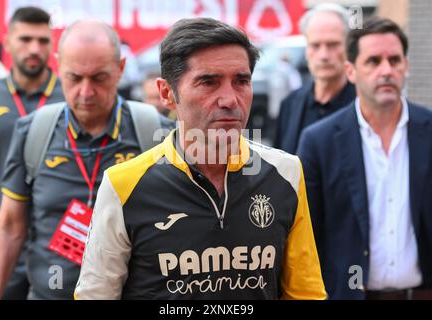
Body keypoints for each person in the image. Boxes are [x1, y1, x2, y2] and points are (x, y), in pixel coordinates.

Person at [75, 17, 326, 300]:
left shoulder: (286, 172)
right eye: (209, 82)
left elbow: (305, 293)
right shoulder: (123, 185)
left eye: (241, 81)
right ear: (167, 93)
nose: (230, 99)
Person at [0, 19, 172, 300]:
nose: (85, 92)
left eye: (98, 78)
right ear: (59, 67)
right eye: (74, 78)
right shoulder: (33, 131)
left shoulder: (155, 133)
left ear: (119, 69)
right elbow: (10, 225)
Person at [298, 17, 432, 300]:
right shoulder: (319, 141)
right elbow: (307, 238)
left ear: (406, 66)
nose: (386, 70)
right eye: (373, 61)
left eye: (395, 60)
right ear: (351, 71)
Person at [0, 6, 64, 299]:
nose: (34, 48)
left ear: (53, 45)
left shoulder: (72, 97)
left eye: (43, 41)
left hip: (61, 252)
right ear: (7, 42)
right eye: (25, 39)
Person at [273, 3, 356, 154]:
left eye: (333, 44)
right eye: (315, 45)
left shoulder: (363, 105)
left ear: (348, 48)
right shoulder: (290, 104)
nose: (324, 55)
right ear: (306, 50)